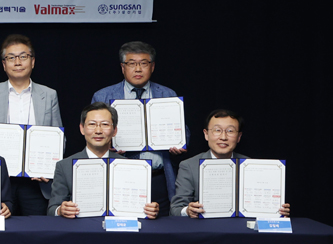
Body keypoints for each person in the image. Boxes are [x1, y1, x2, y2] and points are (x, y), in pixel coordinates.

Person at [91, 41, 186, 216]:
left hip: (159, 177)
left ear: (152, 66)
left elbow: (182, 130)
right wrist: (106, 145)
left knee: (162, 231)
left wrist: (180, 142)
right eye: (131, 63)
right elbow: (92, 135)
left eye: (143, 63)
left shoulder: (168, 94)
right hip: (119, 176)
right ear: (122, 67)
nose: (138, 69)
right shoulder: (103, 96)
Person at [0, 34, 62, 216]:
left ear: (33, 61)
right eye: (11, 58)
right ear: (4, 64)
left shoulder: (49, 94)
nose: (17, 62)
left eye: (23, 56)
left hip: (36, 182)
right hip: (1, 179)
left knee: (38, 233)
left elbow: (59, 138)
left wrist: (47, 168)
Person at [48, 102, 160, 219]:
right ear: (82, 128)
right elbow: (52, 209)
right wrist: (61, 210)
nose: (98, 130)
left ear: (114, 130)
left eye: (105, 124)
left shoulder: (130, 166)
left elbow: (143, 206)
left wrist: (151, 210)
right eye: (92, 124)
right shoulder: (64, 166)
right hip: (81, 231)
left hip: (119, 232)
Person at [170, 109, 290, 218]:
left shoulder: (251, 166)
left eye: (230, 131)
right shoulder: (189, 166)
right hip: (205, 229)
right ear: (206, 134)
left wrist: (277, 210)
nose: (223, 137)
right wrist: (188, 211)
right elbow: (175, 209)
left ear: (239, 137)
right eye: (217, 130)